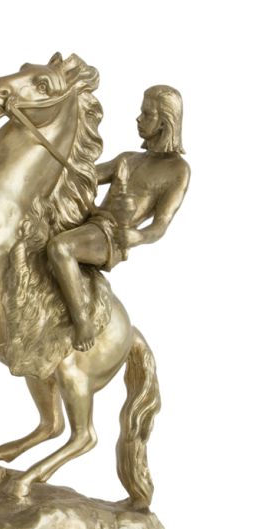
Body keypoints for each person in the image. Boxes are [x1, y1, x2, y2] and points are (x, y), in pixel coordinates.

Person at [47, 84, 191, 351]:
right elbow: (86, 176)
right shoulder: (128, 158)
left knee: (60, 247)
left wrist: (138, 236)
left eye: (147, 114)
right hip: (91, 220)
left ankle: (83, 323)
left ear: (164, 123)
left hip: (111, 237)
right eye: (141, 112)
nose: (138, 118)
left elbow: (161, 225)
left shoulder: (177, 170)